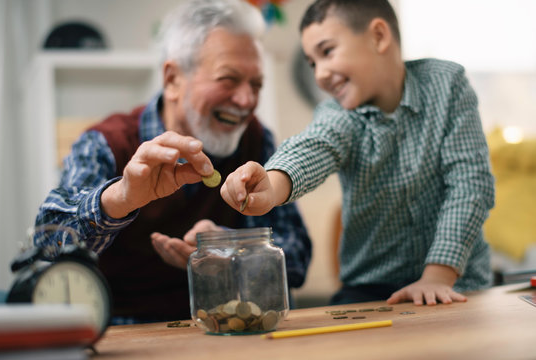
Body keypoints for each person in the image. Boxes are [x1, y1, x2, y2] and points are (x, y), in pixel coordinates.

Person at [34, 0, 311, 324]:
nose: (247, 100)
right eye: (228, 79)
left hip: (226, 327)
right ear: (172, 79)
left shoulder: (256, 139)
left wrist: (230, 250)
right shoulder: (106, 142)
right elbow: (46, 247)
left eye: (256, 84)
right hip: (124, 335)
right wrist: (119, 198)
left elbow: (297, 256)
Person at [221, 0, 495, 306]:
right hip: (371, 288)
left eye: (326, 52)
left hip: (458, 280)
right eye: (312, 63)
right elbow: (315, 145)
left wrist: (438, 276)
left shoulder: (447, 84)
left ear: (378, 36)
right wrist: (271, 184)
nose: (320, 74)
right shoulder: (339, 113)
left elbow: (470, 184)